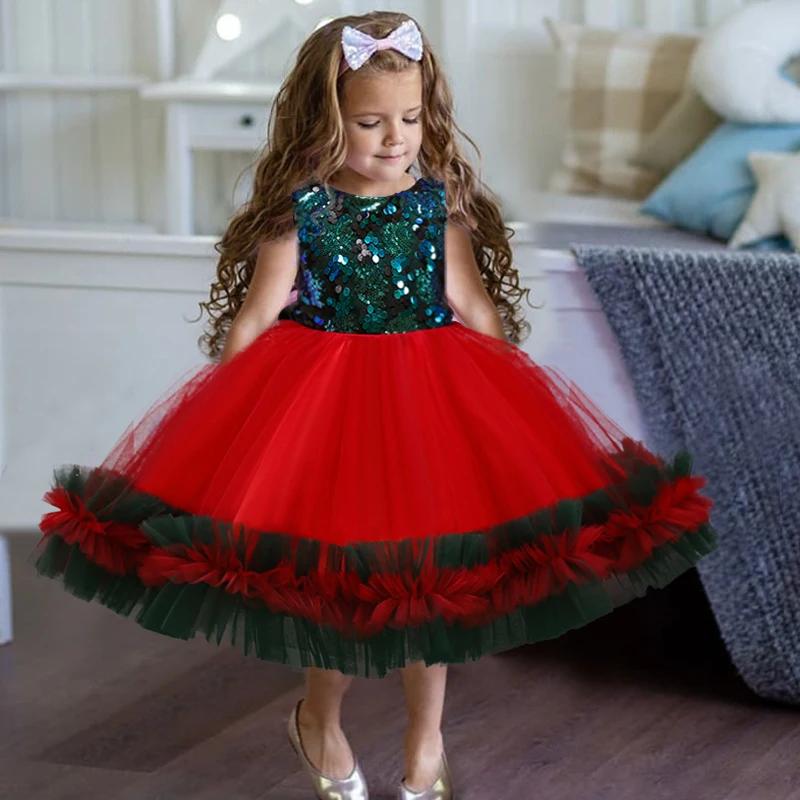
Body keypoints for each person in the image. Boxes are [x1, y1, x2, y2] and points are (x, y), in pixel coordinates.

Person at [31, 12, 718, 800]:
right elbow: (256, 317)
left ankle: (426, 744)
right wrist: (230, 420)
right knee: (342, 589)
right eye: (370, 123)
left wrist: (506, 405)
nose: (396, 139)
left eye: (411, 118)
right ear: (327, 121)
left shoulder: (435, 205)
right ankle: (319, 720)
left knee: (432, 582)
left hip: (430, 401)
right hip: (326, 406)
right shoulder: (304, 210)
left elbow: (472, 304)